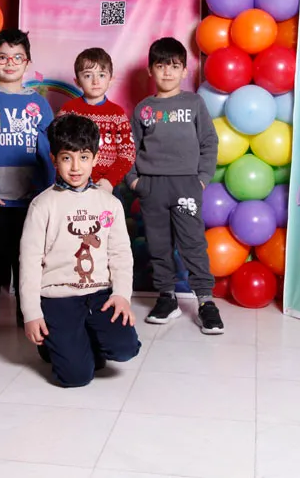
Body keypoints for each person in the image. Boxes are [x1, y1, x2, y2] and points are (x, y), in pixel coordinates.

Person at [20, 114, 141, 387]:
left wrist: (122, 295)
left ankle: (81, 338)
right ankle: (52, 343)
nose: (76, 167)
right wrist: (32, 313)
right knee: (76, 377)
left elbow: (121, 254)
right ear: (54, 159)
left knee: (125, 348)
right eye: (67, 158)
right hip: (59, 297)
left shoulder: (109, 203)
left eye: (84, 157)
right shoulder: (42, 205)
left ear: (95, 158)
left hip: (99, 294)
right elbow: (29, 262)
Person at [125, 38, 224, 334]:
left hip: (186, 186)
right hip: (152, 187)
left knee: (192, 243)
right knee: (158, 244)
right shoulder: (143, 109)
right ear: (150, 70)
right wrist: (135, 181)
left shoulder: (194, 103)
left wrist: (202, 179)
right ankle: (167, 298)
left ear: (184, 71)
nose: (167, 72)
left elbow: (209, 142)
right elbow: (129, 149)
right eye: (160, 66)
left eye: (174, 66)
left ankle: (205, 301)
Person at [0, 29, 55, 338]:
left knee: (28, 258)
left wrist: (49, 191)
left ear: (27, 62)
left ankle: (26, 311)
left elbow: (48, 151)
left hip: (31, 198)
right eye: (3, 57)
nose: (10, 63)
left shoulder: (39, 104)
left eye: (17, 57)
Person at [57, 48, 135, 192]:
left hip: (106, 185)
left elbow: (127, 154)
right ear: (77, 81)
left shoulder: (117, 114)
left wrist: (110, 180)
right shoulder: (68, 111)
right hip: (71, 183)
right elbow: (56, 148)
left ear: (111, 80)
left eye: (101, 75)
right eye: (88, 75)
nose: (95, 81)